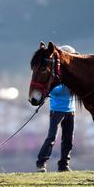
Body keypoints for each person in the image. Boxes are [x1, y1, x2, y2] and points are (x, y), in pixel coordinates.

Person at [36, 45, 77, 173]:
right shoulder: (56, 75)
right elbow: (53, 91)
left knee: (68, 139)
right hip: (57, 110)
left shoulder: (70, 75)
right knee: (51, 137)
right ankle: (41, 162)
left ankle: (64, 164)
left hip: (70, 110)